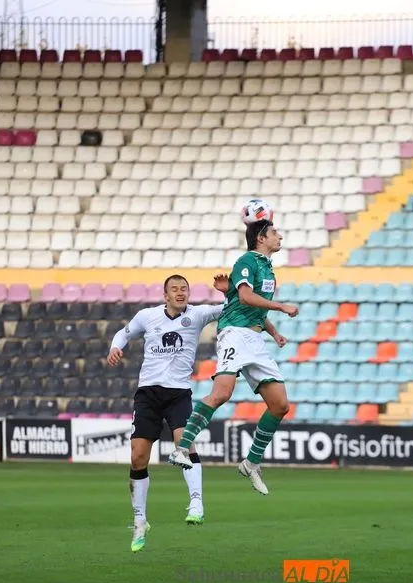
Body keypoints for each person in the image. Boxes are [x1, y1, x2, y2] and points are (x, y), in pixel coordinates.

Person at [168, 219, 297, 497]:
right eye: (274, 232)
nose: (280, 236)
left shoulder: (268, 269)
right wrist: (281, 306)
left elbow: (251, 307)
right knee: (221, 394)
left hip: (255, 339)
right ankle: (182, 448)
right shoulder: (246, 261)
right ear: (261, 237)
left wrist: (274, 333)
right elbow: (246, 297)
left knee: (280, 405)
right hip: (235, 334)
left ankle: (251, 463)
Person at [107, 273, 231, 552]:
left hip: (178, 393)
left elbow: (230, 308)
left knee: (183, 443)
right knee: (138, 456)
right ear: (165, 296)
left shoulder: (198, 314)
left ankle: (196, 502)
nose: (180, 292)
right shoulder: (147, 316)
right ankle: (140, 520)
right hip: (148, 394)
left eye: (184, 288)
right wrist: (115, 347)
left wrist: (226, 292)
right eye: (174, 289)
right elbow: (123, 333)